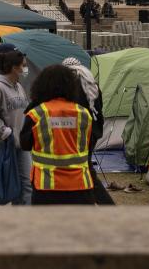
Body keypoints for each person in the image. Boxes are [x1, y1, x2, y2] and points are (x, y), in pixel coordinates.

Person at [19, 64, 95, 205]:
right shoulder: (84, 114)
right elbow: (89, 146)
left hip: (46, 186)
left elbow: (25, 145)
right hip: (80, 185)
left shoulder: (36, 114)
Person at [0, 44, 32, 205]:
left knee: (26, 184)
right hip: (1, 144)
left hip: (20, 145)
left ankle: (22, 222)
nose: (24, 69)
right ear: (14, 68)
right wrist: (5, 133)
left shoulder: (19, 87)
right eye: (22, 66)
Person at [62, 56, 115, 205]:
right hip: (94, 132)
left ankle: (106, 204)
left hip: (80, 135)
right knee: (82, 169)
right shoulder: (92, 84)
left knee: (85, 171)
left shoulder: (73, 86)